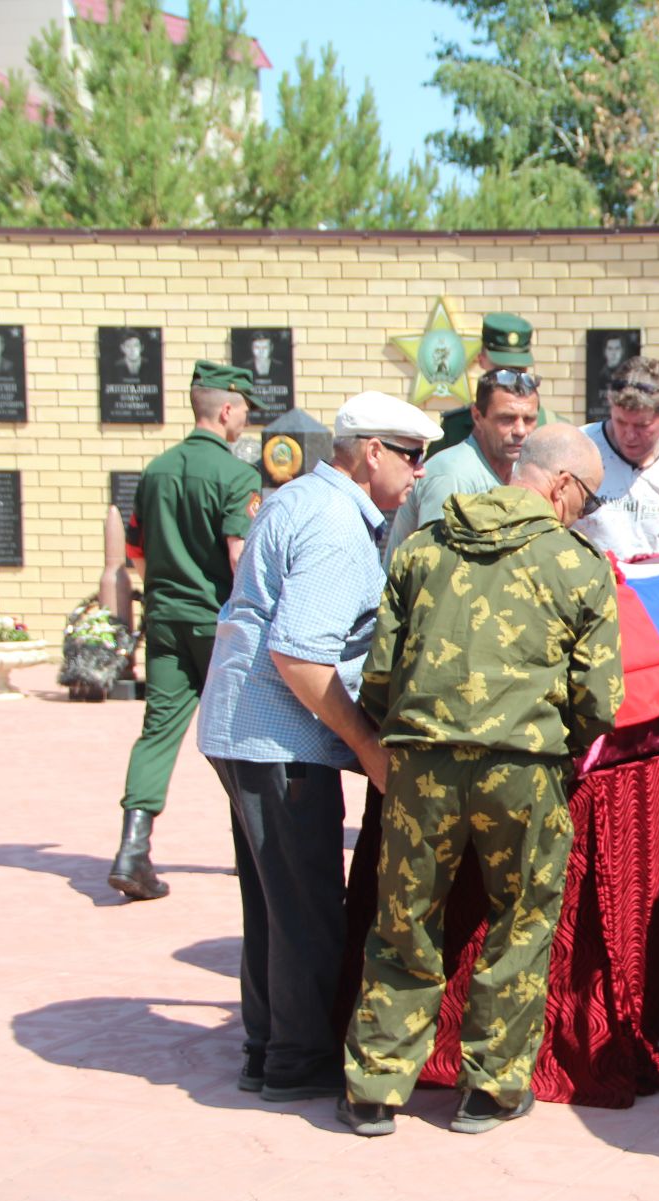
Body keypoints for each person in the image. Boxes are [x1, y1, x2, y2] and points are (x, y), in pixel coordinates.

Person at [339, 423, 623, 1138]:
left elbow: (378, 675)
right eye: (585, 499)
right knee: (522, 923)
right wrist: (555, 748)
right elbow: (599, 698)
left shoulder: (422, 548)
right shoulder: (577, 565)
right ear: (561, 486)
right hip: (523, 771)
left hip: (421, 766)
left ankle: (375, 1086)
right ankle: (491, 1089)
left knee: (403, 921)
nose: (583, 513)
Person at [195, 392, 438, 1100]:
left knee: (273, 901)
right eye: (412, 456)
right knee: (304, 910)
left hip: (248, 730)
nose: (419, 473)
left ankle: (268, 1049)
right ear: (372, 453)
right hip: (280, 737)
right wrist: (366, 746)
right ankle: (298, 1063)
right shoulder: (336, 524)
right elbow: (301, 655)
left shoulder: (303, 497)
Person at [108, 360, 264, 901]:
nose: (245, 420)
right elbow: (239, 556)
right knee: (239, 739)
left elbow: (136, 551)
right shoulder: (237, 474)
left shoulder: (155, 470)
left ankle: (133, 848)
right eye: (244, 410)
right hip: (217, 626)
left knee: (158, 732)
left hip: (166, 622)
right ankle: (256, 853)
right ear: (226, 410)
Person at [383, 367, 541, 562]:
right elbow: (437, 568)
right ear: (477, 416)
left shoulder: (521, 470)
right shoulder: (452, 475)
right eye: (506, 419)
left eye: (529, 419)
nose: (520, 430)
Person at [572, 355, 659, 559]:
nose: (629, 435)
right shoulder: (578, 448)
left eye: (642, 425)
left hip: (647, 584)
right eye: (620, 422)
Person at [427, 313, 542, 460]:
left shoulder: (553, 425)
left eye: (518, 370)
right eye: (501, 371)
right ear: (481, 360)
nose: (510, 380)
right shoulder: (456, 427)